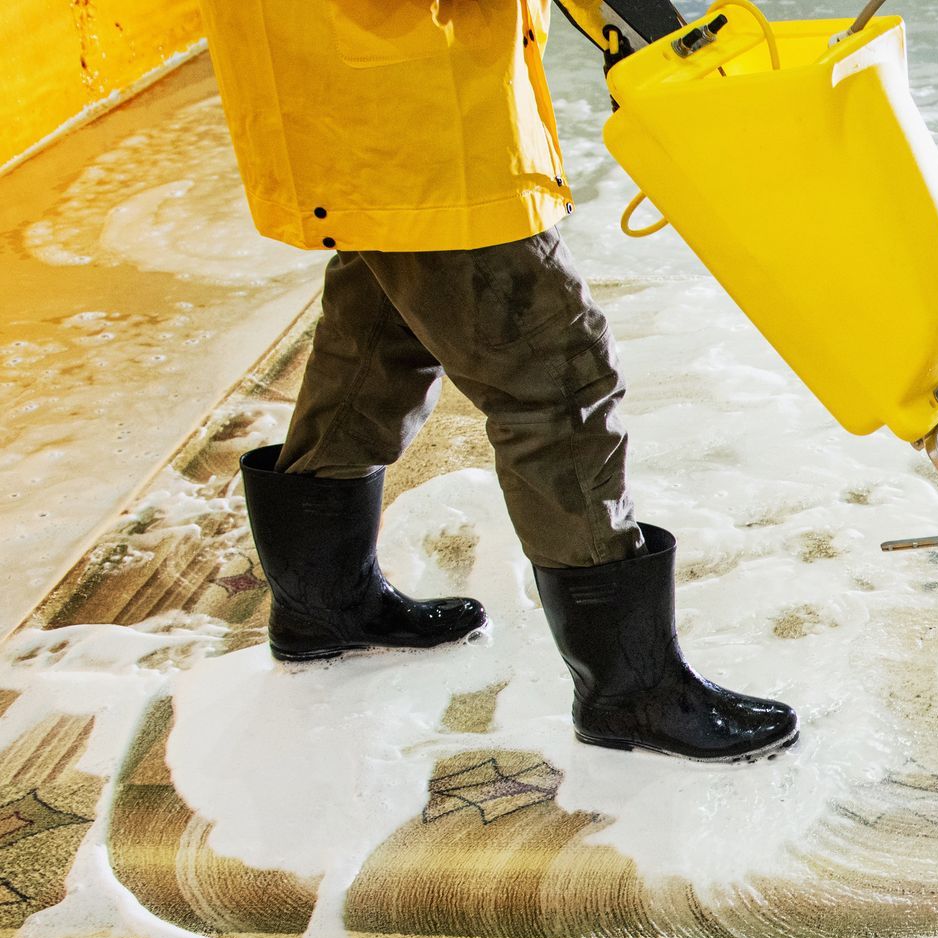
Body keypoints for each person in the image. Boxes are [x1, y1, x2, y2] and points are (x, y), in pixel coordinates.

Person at [198, 0, 797, 763]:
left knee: (381, 338)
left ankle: (325, 606)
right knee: (557, 379)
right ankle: (631, 693)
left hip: (370, 91)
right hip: (404, 115)